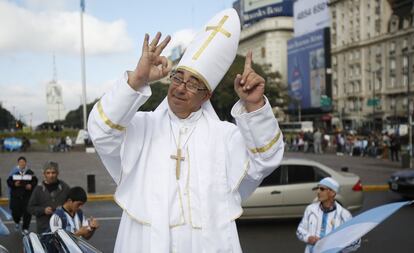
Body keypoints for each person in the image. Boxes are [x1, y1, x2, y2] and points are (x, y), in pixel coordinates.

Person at [88, 8, 284, 253]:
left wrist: (254, 105)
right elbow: (99, 130)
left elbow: (267, 158)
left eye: (192, 84)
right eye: (178, 78)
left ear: (207, 96)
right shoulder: (141, 126)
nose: (180, 88)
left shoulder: (224, 136)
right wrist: (137, 79)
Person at [297, 177, 360, 253]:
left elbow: (356, 243)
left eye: (322, 189)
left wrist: (337, 244)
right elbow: (300, 230)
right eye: (318, 188)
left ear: (332, 193)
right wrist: (308, 238)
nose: (318, 191)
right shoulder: (310, 209)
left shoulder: (344, 215)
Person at [27, 161, 70, 233]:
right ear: (44, 174)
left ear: (57, 173)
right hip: (44, 228)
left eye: (53, 172)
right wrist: (43, 210)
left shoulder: (65, 187)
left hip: (62, 228)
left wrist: (62, 209)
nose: (51, 175)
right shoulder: (38, 189)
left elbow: (71, 205)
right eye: (48, 173)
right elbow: (30, 208)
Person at [6, 156, 38, 233]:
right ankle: (17, 222)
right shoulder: (14, 172)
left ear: (25, 163)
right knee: (15, 212)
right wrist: (14, 184)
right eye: (20, 162)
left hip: (27, 197)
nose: (22, 163)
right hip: (16, 197)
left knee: (27, 213)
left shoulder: (30, 172)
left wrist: (31, 186)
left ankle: (25, 228)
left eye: (23, 162)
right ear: (18, 163)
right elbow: (8, 182)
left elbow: (35, 181)